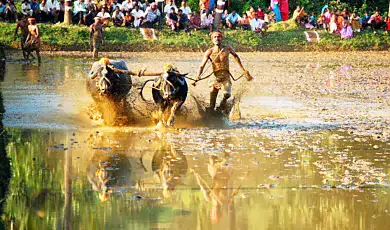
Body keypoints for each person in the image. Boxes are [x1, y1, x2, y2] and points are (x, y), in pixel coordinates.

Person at [195, 32, 253, 113]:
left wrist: (243, 70)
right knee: (212, 104)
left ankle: (222, 105)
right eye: (214, 37)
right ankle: (211, 111)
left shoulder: (227, 48)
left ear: (221, 38)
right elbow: (201, 66)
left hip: (226, 76)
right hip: (215, 77)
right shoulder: (209, 51)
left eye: (218, 37)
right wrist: (197, 77)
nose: (217, 38)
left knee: (227, 94)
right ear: (212, 40)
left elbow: (236, 56)